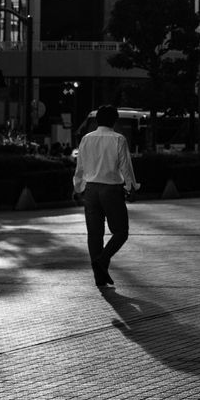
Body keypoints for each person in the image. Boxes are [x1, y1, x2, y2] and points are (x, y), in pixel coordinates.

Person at [73, 104, 139, 290]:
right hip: (111, 190)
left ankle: (99, 278)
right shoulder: (118, 139)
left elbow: (81, 167)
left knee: (94, 235)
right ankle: (102, 260)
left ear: (97, 120)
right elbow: (126, 166)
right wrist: (131, 186)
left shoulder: (86, 139)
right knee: (120, 232)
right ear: (114, 120)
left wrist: (77, 187)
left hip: (91, 190)